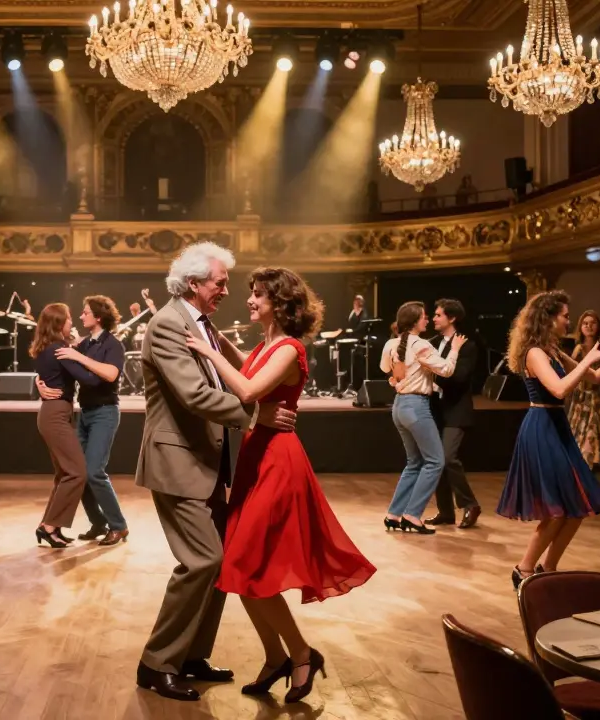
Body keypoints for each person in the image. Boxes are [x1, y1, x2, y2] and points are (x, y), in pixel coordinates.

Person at [186, 267, 374, 704]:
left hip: (277, 462)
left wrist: (207, 352)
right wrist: (214, 338)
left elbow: (249, 391)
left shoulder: (289, 348)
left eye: (257, 295)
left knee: (249, 565)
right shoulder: (268, 344)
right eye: (251, 293)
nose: (249, 301)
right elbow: (245, 364)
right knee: (240, 569)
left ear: (280, 302)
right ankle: (276, 657)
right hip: (257, 456)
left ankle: (302, 653)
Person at [134, 242, 297, 703]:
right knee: (203, 560)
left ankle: (190, 656)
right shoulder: (169, 324)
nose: (227, 289)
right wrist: (256, 416)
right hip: (178, 462)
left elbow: (232, 375)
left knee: (221, 562)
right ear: (193, 283)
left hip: (206, 463)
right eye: (220, 282)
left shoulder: (199, 324)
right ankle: (156, 663)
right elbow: (193, 395)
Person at [499, 291, 600, 589]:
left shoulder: (552, 349)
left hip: (557, 426)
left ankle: (548, 565)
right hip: (541, 428)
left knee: (577, 506)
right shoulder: (534, 353)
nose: (569, 320)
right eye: (565, 316)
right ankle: (523, 569)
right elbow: (559, 389)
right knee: (556, 510)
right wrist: (588, 359)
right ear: (548, 318)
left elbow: (592, 378)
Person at [380, 302, 465, 535]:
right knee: (435, 461)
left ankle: (394, 514)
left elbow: (388, 371)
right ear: (416, 320)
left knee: (414, 463)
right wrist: (455, 348)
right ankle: (412, 515)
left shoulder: (391, 343)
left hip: (399, 406)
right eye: (425, 317)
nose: (427, 320)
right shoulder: (421, 345)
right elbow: (446, 370)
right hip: (416, 406)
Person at [54, 296, 130, 546]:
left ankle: (118, 526)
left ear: (98, 317)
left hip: (105, 413)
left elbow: (109, 374)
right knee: (79, 472)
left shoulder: (113, 345)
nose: (81, 316)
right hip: (85, 413)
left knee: (95, 471)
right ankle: (98, 522)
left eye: (85, 312)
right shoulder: (84, 344)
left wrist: (79, 357)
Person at [28, 303, 94, 548]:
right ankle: (48, 527)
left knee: (64, 474)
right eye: (68, 319)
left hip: (53, 412)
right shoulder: (59, 349)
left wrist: (74, 346)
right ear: (58, 324)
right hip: (56, 414)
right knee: (77, 472)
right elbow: (87, 377)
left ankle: (51, 527)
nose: (71, 323)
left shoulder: (49, 347)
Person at [425, 299, 482, 529]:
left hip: (456, 409)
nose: (434, 318)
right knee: (437, 460)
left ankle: (470, 504)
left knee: (449, 457)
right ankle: (446, 512)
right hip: (435, 409)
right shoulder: (432, 343)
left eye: (438, 315)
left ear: (452, 318)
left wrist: (432, 372)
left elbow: (458, 379)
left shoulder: (466, 345)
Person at [564, 310, 600, 469]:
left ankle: (588, 468)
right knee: (582, 432)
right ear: (580, 327)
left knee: (595, 433)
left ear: (598, 326)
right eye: (585, 323)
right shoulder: (579, 349)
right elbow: (572, 373)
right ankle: (583, 467)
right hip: (581, 397)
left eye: (592, 323)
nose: (589, 326)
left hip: (596, 395)